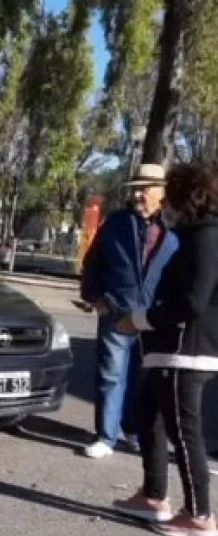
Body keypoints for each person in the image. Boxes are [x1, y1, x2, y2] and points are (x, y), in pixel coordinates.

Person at [113, 162, 218, 536]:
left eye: (170, 192)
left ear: (187, 195)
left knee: (184, 433)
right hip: (171, 350)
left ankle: (200, 514)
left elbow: (191, 301)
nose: (165, 201)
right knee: (149, 418)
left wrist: (140, 320)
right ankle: (154, 496)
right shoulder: (195, 234)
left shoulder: (206, 236)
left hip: (184, 350)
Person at [79, 163, 178, 458]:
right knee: (111, 374)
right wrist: (96, 297)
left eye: (144, 189)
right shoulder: (117, 223)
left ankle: (133, 431)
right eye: (135, 188)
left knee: (144, 379)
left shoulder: (175, 229)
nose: (137, 194)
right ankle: (106, 437)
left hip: (153, 318)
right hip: (117, 311)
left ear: (161, 193)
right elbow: (93, 263)